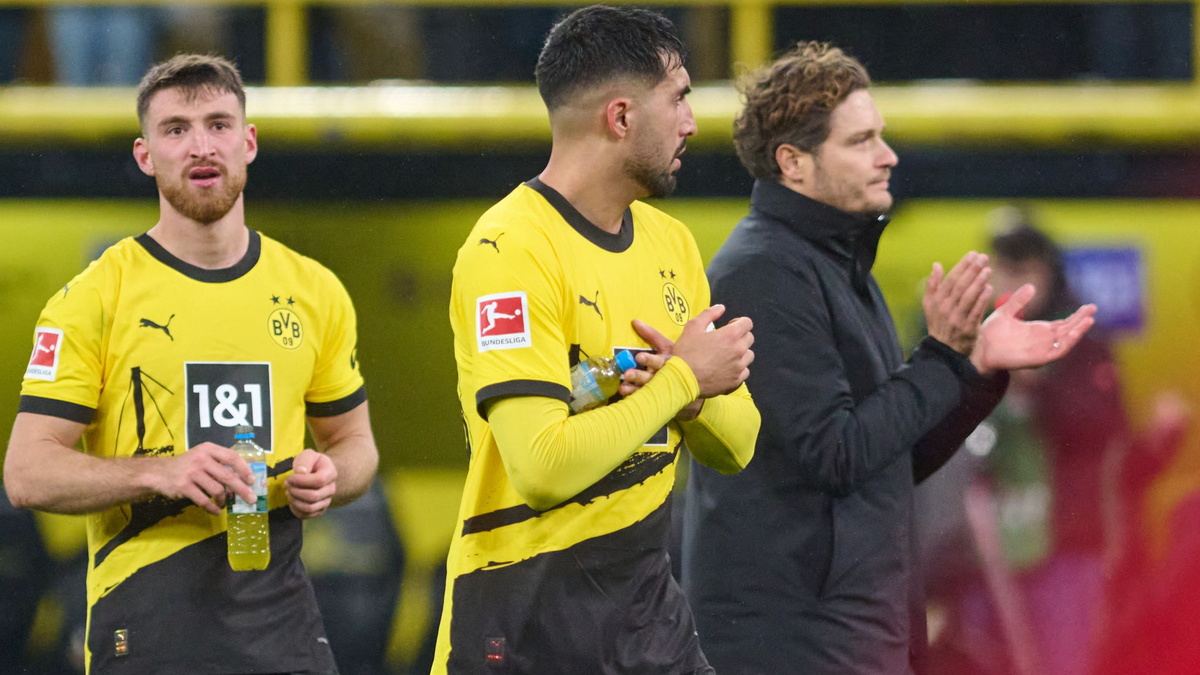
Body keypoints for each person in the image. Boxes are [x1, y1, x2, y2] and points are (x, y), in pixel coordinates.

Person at [681, 42, 1096, 675]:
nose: (889, 155)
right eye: (862, 141)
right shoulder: (764, 272)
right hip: (797, 644)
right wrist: (938, 357)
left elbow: (886, 460)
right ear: (793, 162)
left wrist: (974, 370)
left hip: (853, 633)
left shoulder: (838, 266)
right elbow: (836, 451)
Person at [3, 54, 378, 675]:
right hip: (150, 623)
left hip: (284, 627)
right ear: (145, 155)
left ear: (249, 142)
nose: (201, 146)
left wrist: (330, 473)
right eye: (176, 129)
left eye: (218, 124)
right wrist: (162, 474)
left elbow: (356, 444)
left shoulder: (315, 291)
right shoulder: (95, 298)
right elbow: (26, 472)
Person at [432, 6, 760, 674]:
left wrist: (692, 400)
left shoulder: (671, 244)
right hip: (523, 614)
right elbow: (542, 465)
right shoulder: (511, 249)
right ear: (620, 117)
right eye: (679, 99)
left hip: (644, 616)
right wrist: (681, 382)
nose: (693, 123)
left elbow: (741, 442)